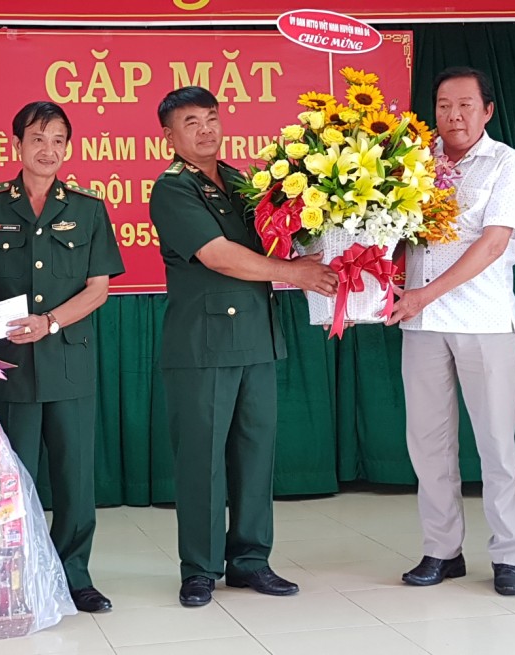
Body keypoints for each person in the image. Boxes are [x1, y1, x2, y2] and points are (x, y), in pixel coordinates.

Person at [148, 86, 337, 607]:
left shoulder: (239, 182)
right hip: (204, 344)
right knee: (202, 461)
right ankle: (200, 569)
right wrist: (294, 273)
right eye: (191, 122)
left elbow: (278, 237)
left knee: (255, 455)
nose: (206, 130)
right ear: (169, 135)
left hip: (256, 337)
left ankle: (251, 561)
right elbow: (218, 255)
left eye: (211, 118)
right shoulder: (172, 189)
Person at [0, 100, 125, 614]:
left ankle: (74, 576)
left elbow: (98, 289)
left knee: (75, 478)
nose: (48, 150)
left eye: (58, 140)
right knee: (11, 475)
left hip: (68, 359)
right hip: (7, 365)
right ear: (17, 145)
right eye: (37, 139)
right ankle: (15, 577)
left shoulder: (88, 208)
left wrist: (49, 322)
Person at [387, 66, 515, 596]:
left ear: (487, 110)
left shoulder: (507, 164)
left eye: (466, 105)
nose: (454, 115)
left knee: (496, 446)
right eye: (444, 105)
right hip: (422, 324)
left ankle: (508, 557)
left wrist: (425, 293)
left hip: (484, 321)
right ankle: (442, 551)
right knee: (428, 445)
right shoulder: (413, 165)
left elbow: (492, 244)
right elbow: (393, 235)